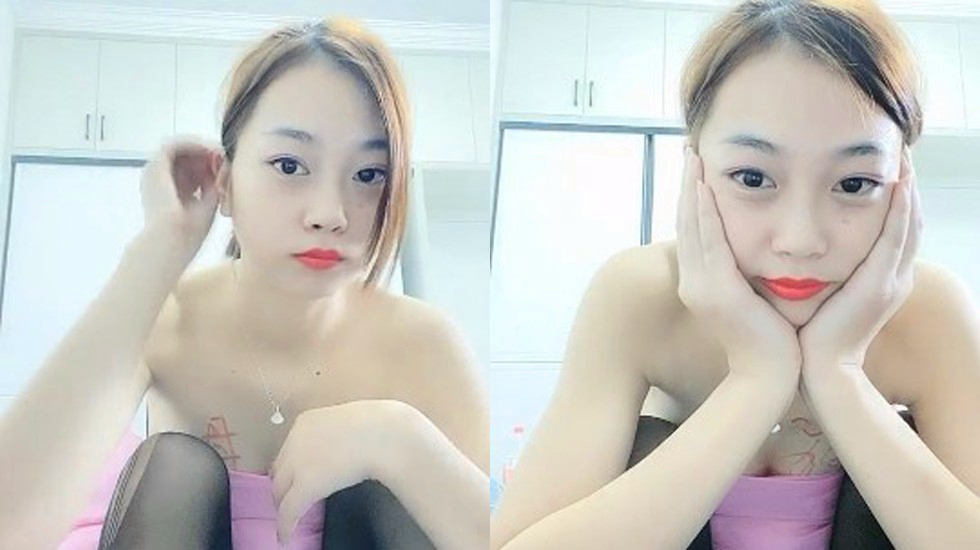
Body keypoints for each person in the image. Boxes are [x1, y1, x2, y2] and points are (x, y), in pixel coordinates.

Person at [490, 1, 980, 548]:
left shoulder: (928, 312)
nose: (800, 240)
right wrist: (756, 379)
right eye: (752, 178)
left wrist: (841, 374)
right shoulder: (642, 295)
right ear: (695, 169)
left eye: (853, 184)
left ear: (902, 183)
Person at [0, 17, 489, 550]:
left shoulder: (426, 344)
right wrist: (158, 250)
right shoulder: (167, 322)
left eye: (368, 174)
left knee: (385, 486)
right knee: (175, 465)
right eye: (289, 165)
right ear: (225, 181)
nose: (330, 214)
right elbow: (12, 525)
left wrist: (397, 440)